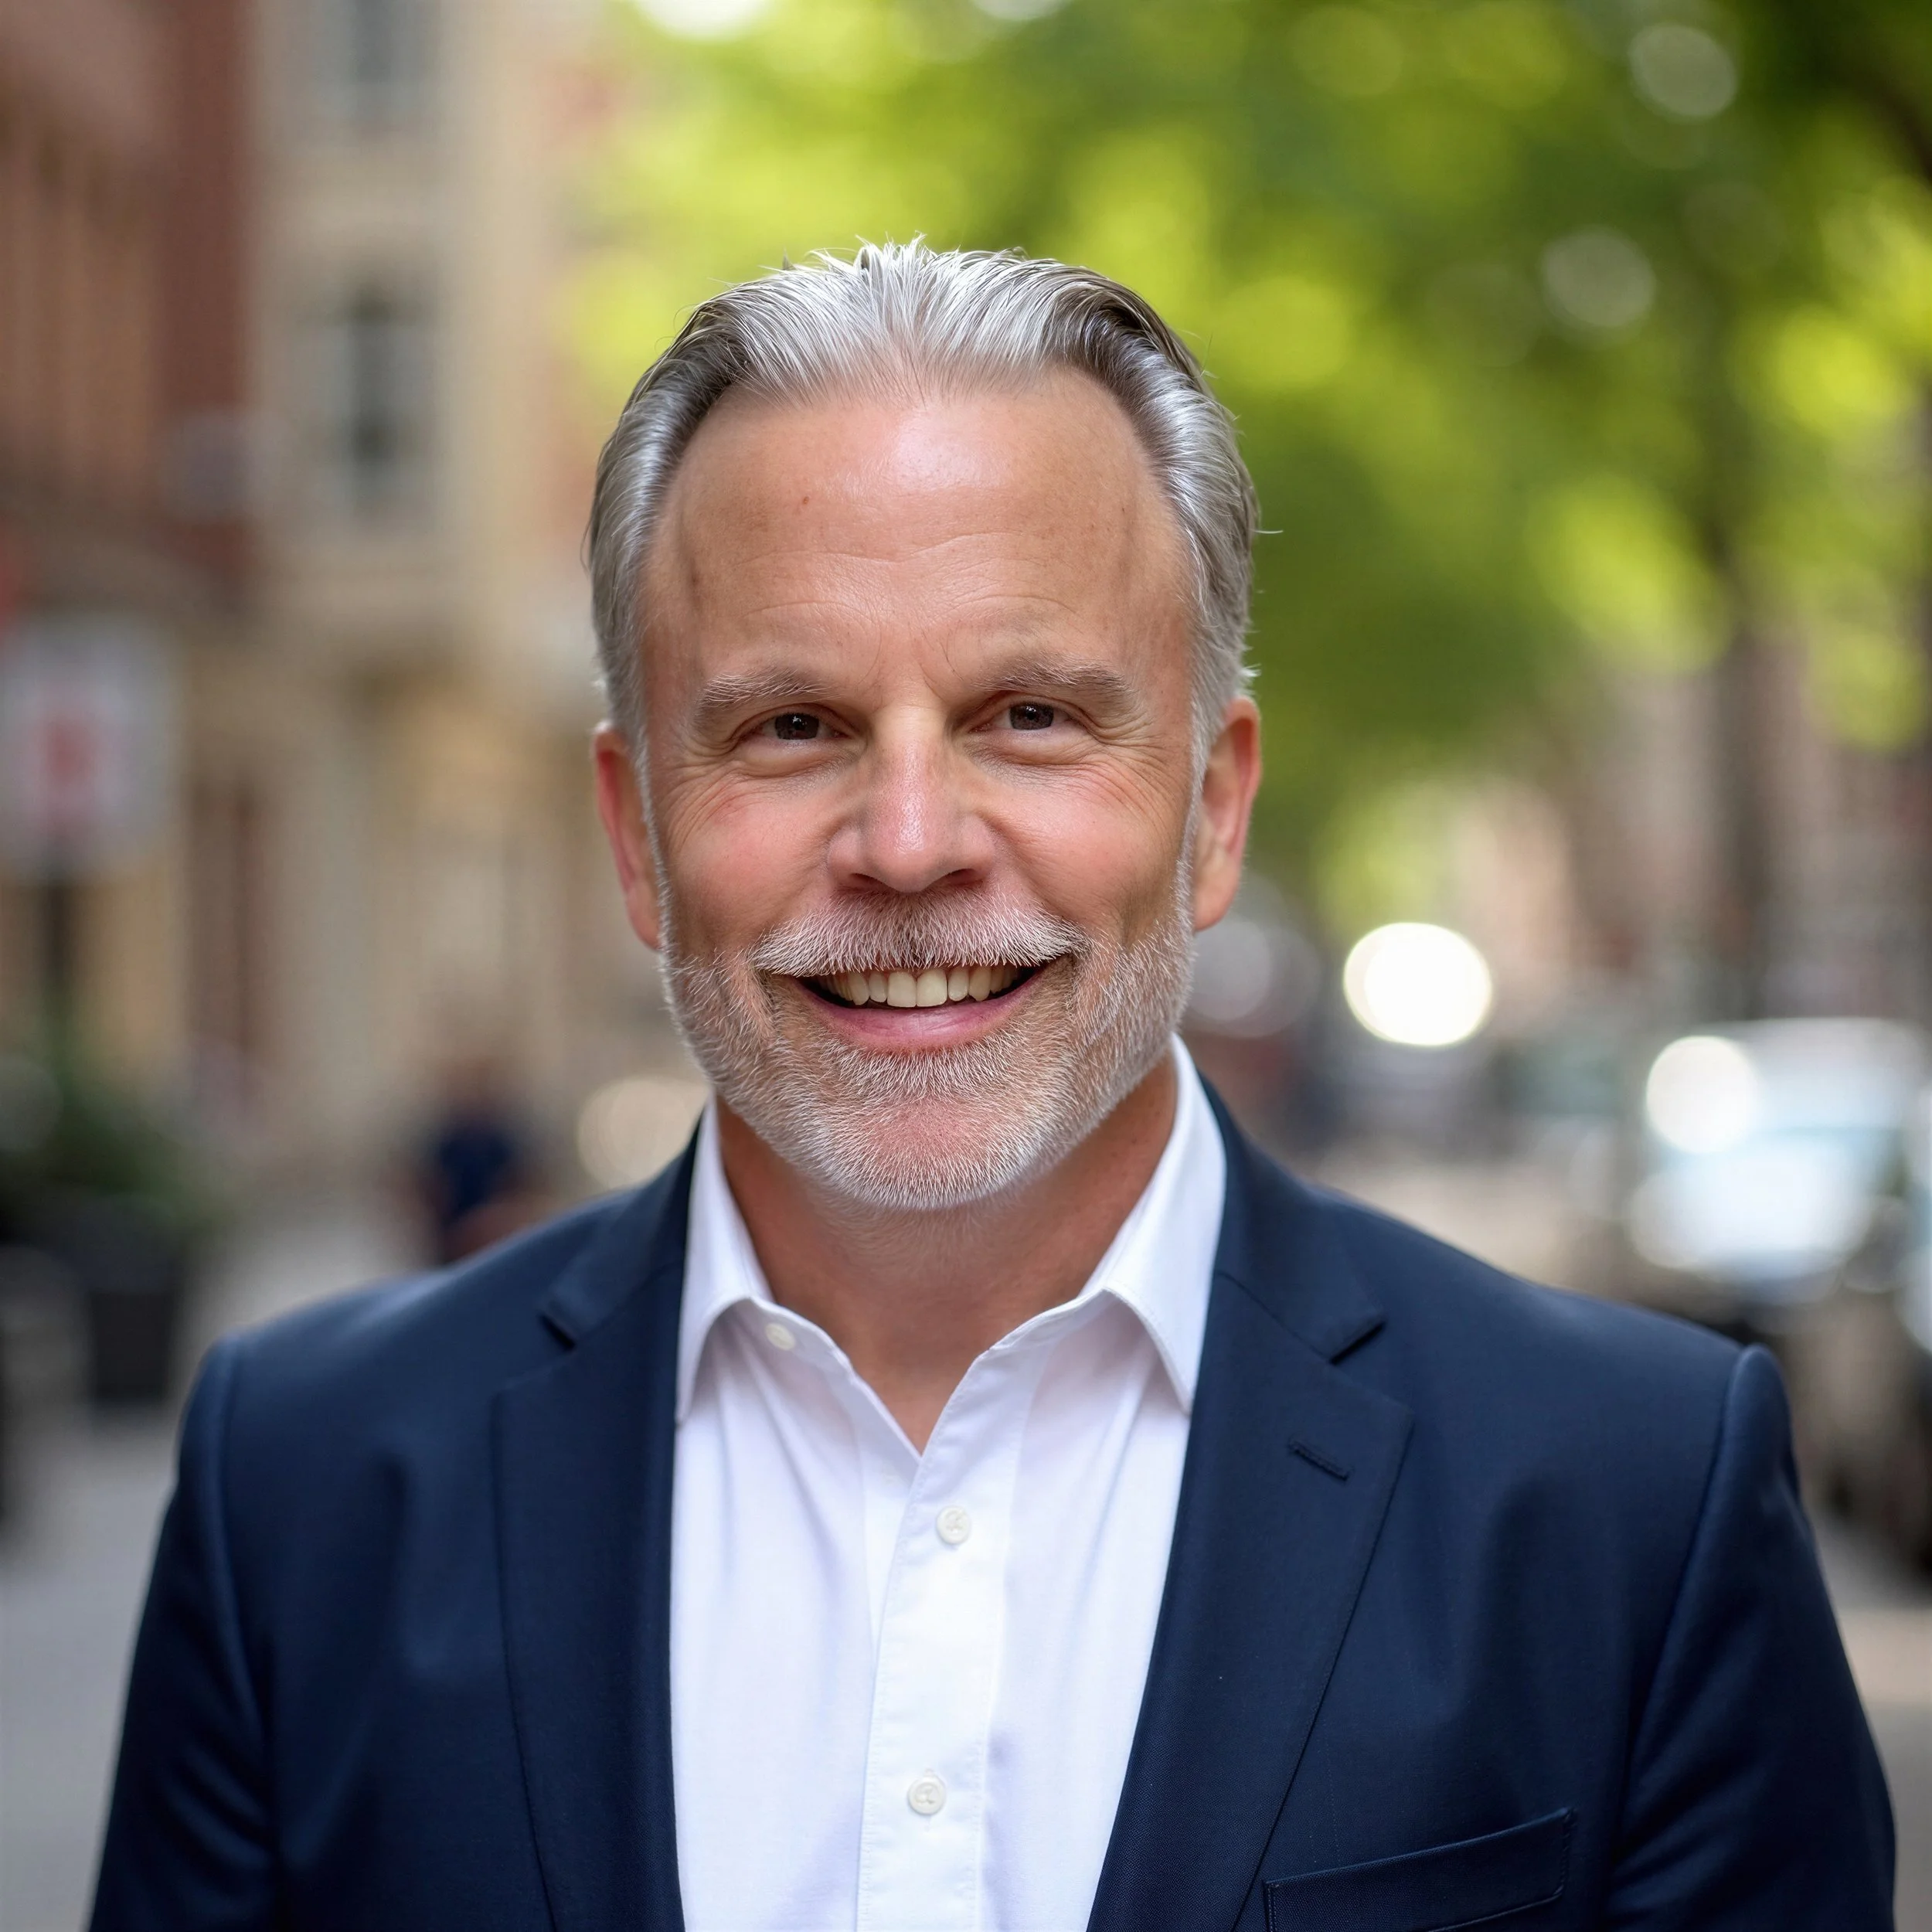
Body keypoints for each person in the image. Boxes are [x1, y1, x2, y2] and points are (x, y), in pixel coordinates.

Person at [90, 244, 1891, 1932]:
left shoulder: (1628, 1500)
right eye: (789, 725)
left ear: (1212, 807)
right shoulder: (297, 1494)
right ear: (634, 836)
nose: (907, 841)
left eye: (1029, 713)